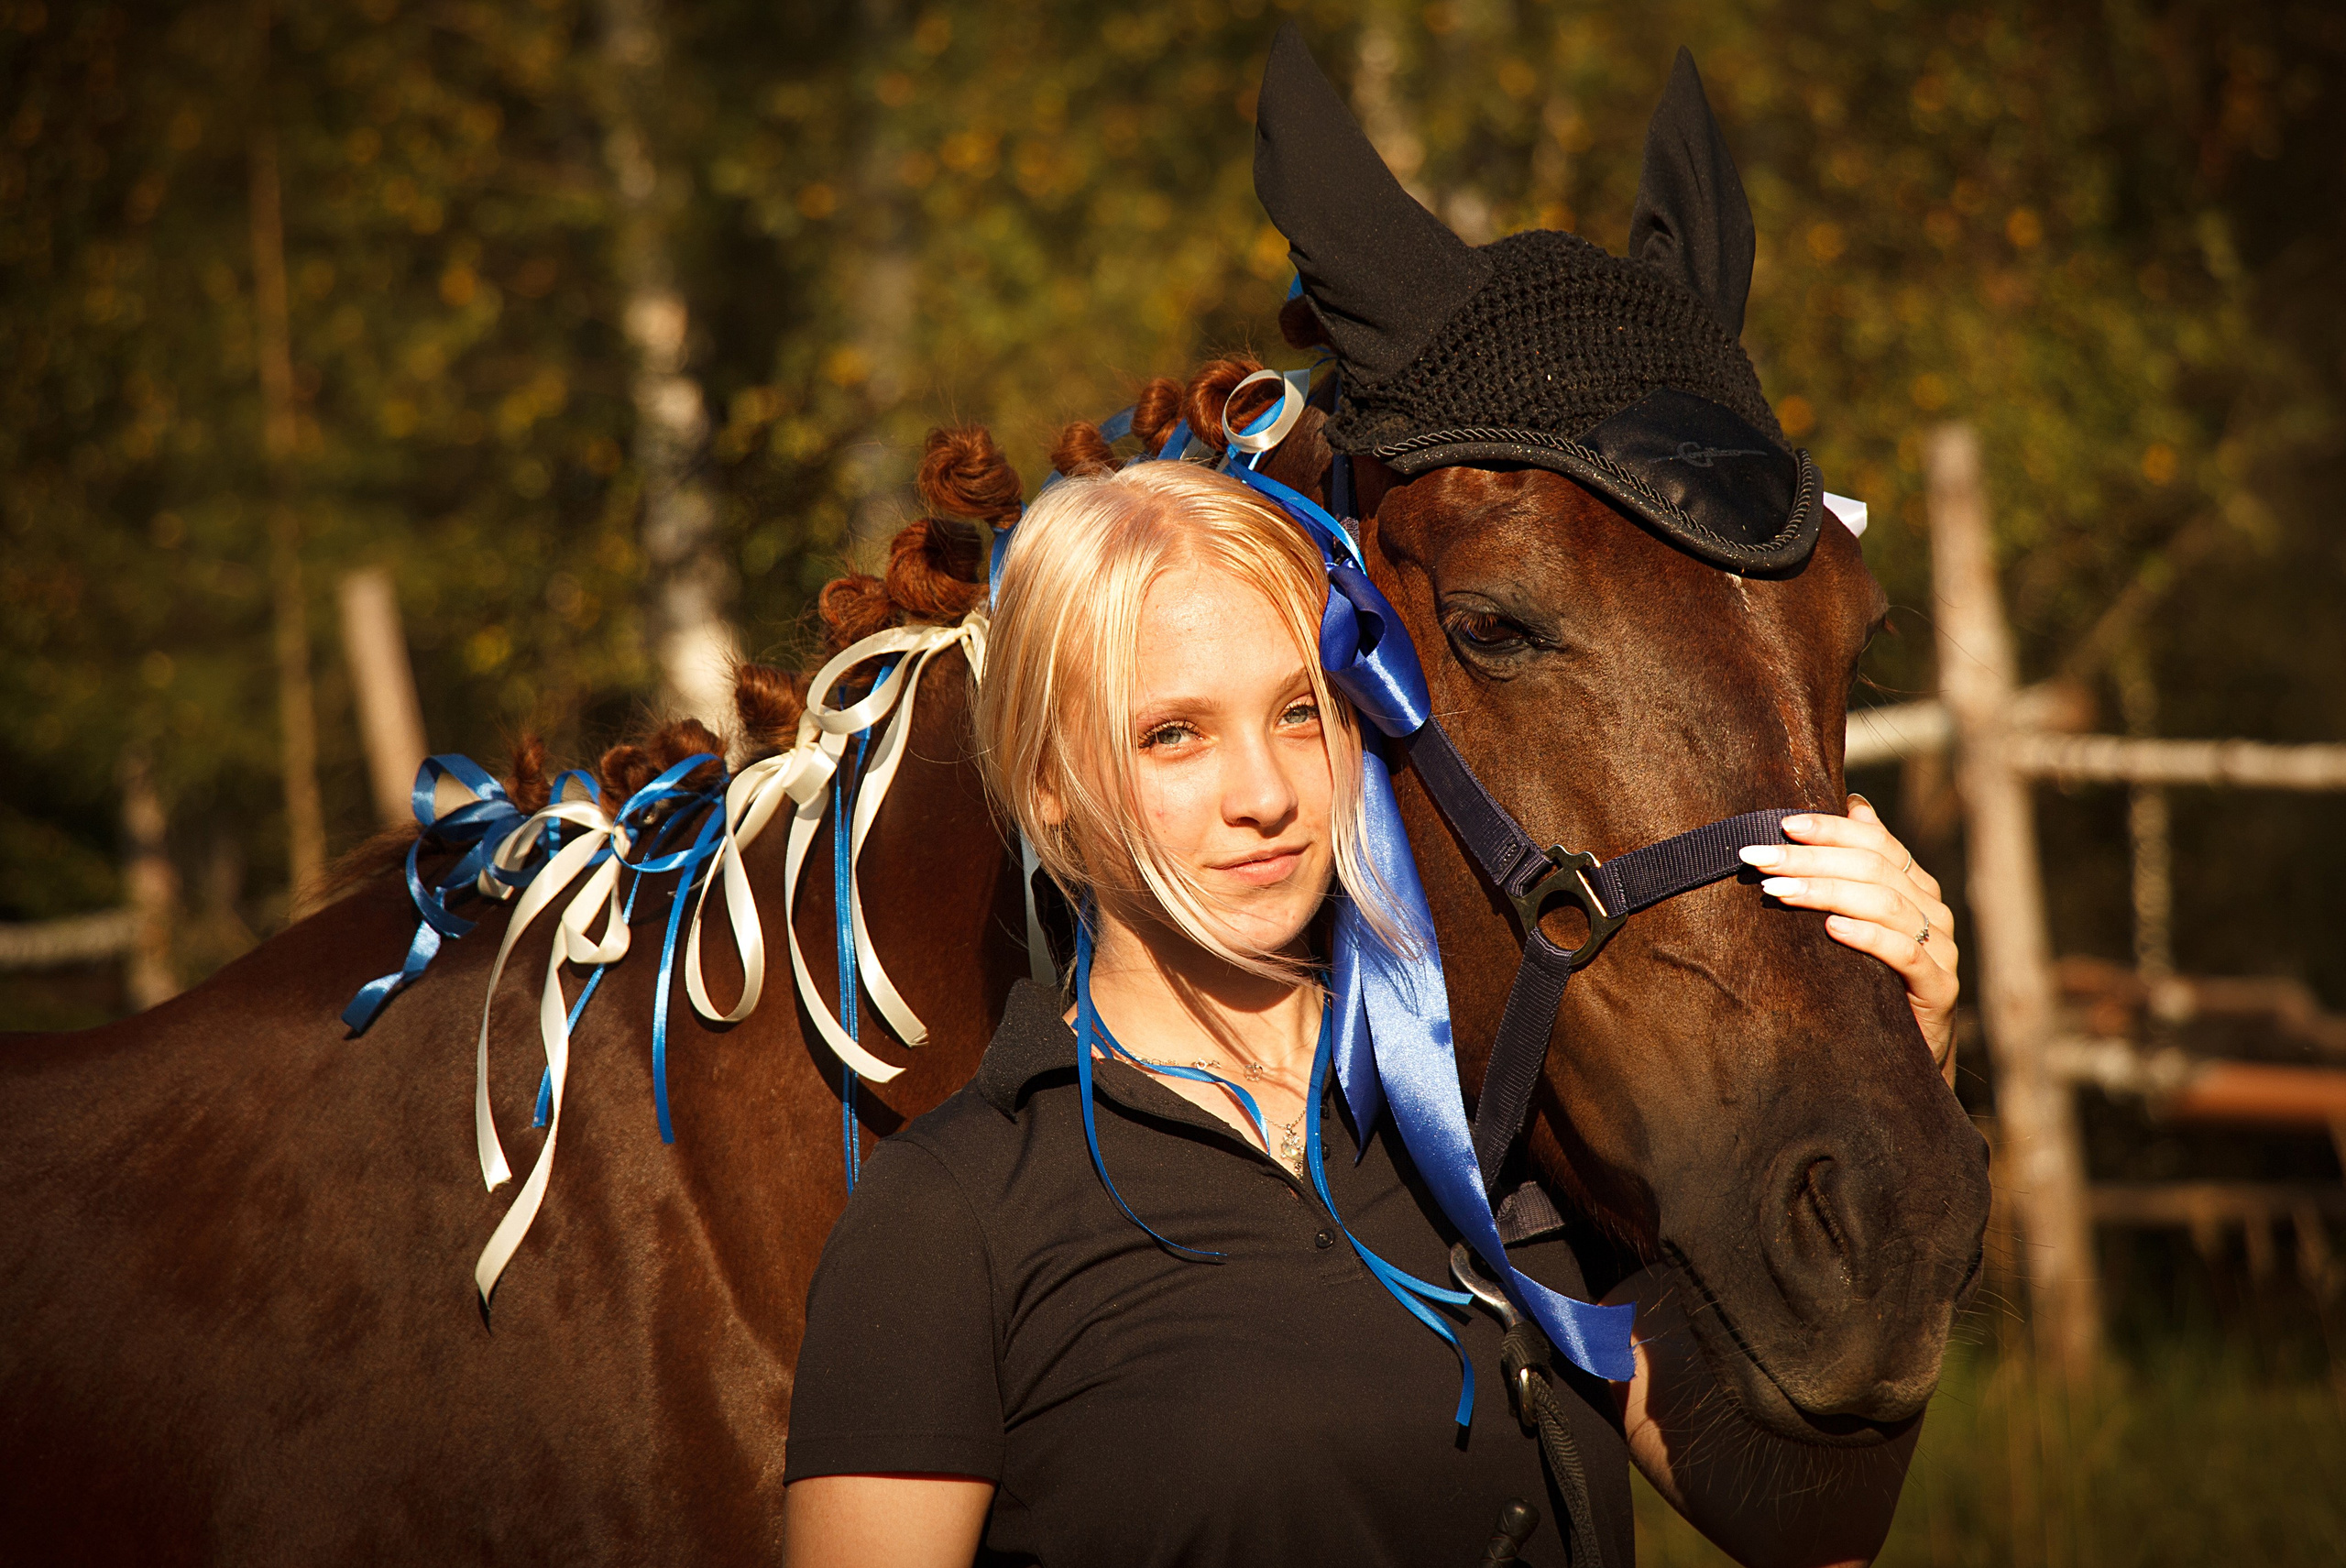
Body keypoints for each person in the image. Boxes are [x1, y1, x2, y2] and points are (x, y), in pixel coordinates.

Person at [780, 460, 1959, 1568]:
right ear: (1050, 785)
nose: (1265, 795)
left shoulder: (1497, 1152)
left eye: (1302, 713)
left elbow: (1819, 1535)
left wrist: (1907, 1065)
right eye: (1173, 735)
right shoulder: (951, 1215)